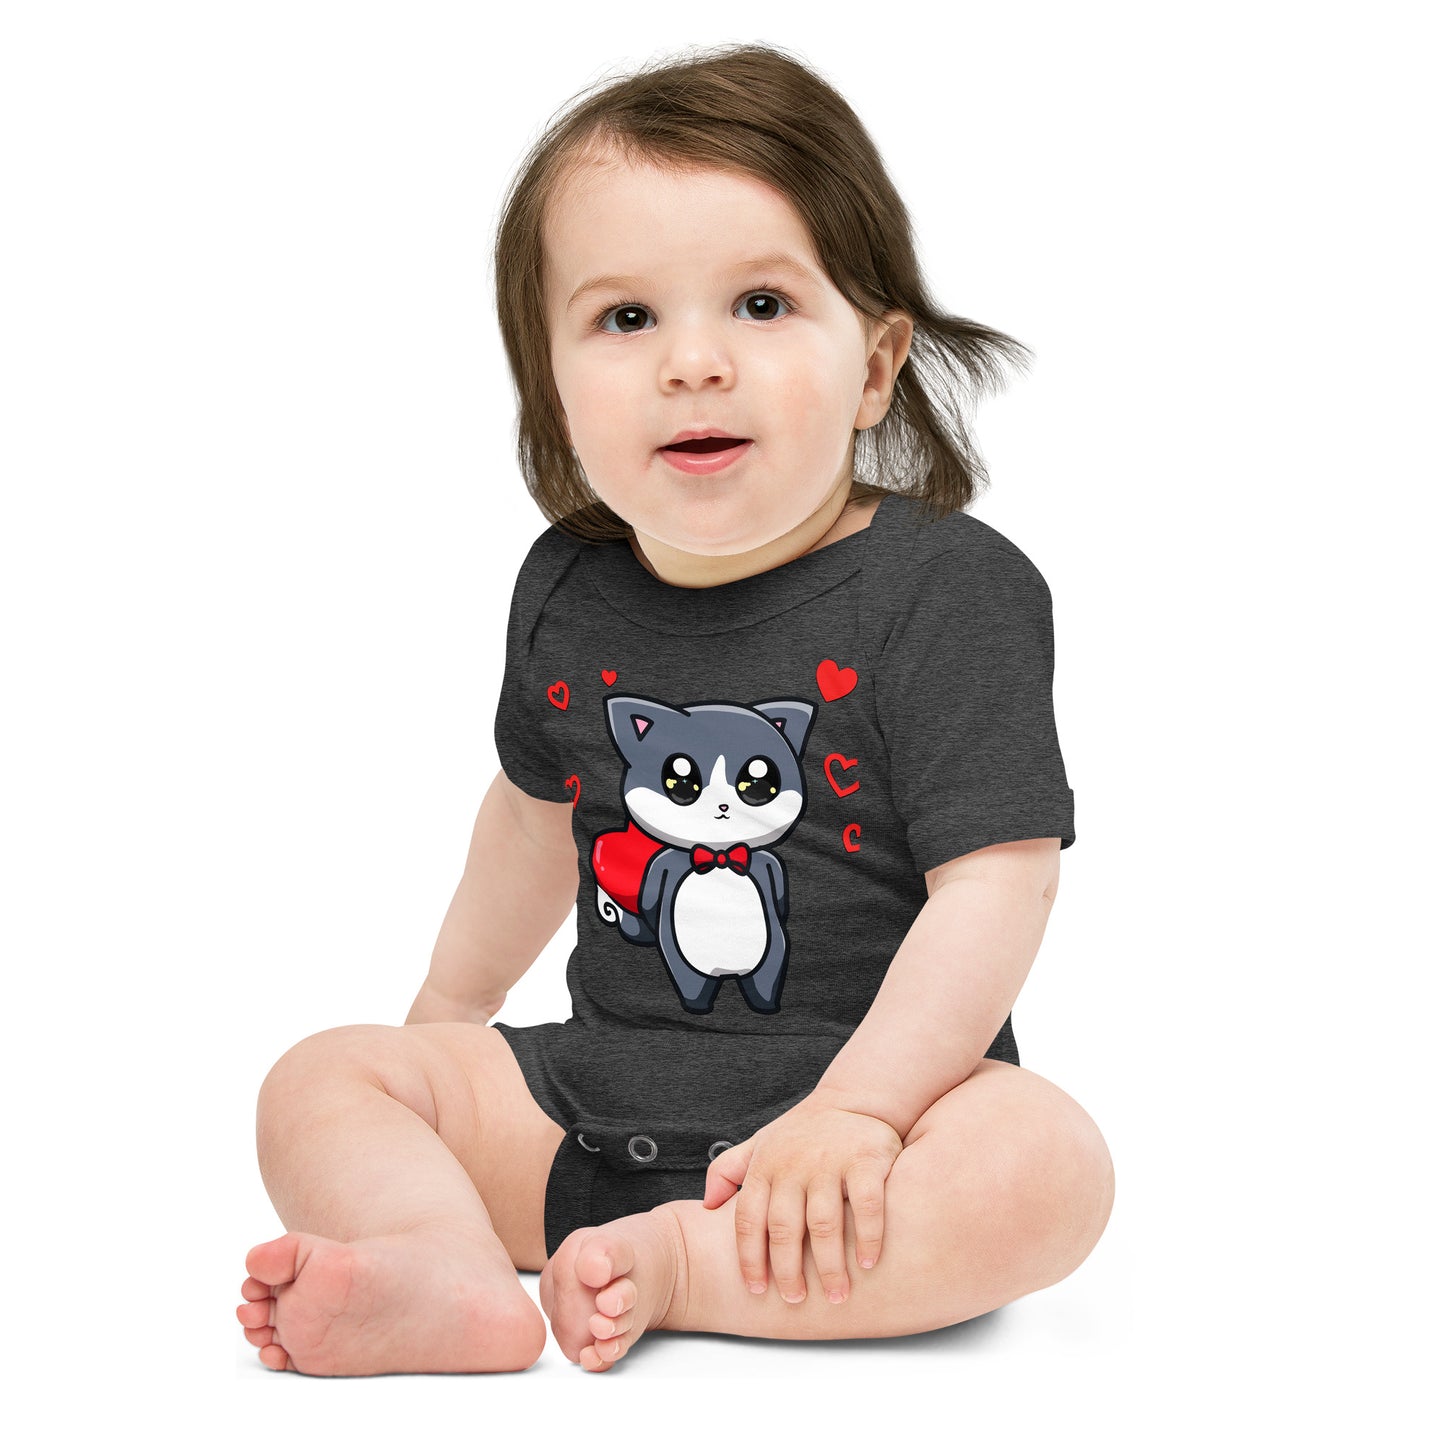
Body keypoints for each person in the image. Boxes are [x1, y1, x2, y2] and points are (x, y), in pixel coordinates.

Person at [235, 41, 1114, 1376]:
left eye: (761, 304)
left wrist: (860, 1113)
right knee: (322, 1077)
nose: (693, 363)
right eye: (626, 318)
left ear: (875, 366)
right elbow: (532, 819)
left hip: (869, 1130)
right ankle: (441, 1262)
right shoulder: (567, 588)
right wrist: (446, 1017)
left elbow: (999, 881)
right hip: (595, 1099)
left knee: (1047, 1164)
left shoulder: (949, 589)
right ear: (550, 382)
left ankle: (684, 1266)